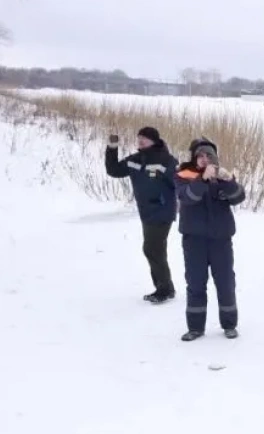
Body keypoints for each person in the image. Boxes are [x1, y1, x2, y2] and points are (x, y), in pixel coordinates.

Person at [174, 138, 245, 341]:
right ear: (195, 158)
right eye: (200, 156)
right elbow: (187, 198)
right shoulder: (183, 175)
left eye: (208, 156)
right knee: (195, 283)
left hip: (220, 240)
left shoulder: (222, 176)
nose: (205, 159)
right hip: (194, 241)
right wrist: (202, 180)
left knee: (225, 283)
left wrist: (229, 182)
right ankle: (195, 328)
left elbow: (239, 197)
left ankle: (229, 324)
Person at [105, 127, 179, 303]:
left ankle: (164, 289)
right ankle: (166, 287)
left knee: (152, 249)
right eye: (139, 138)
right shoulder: (135, 160)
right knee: (155, 249)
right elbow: (114, 170)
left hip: (162, 211)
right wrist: (112, 148)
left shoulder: (166, 160)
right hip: (146, 213)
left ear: (154, 140)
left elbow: (178, 183)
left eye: (144, 138)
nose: (140, 141)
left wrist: (180, 202)